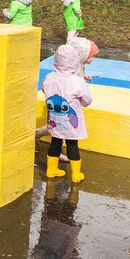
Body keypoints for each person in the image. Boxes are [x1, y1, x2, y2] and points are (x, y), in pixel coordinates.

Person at [42, 44, 92, 183]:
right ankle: (76, 175)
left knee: (55, 142)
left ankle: (51, 170)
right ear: (75, 63)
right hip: (71, 121)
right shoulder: (77, 81)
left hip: (54, 119)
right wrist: (78, 103)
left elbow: (44, 89)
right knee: (72, 145)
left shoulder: (50, 77)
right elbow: (87, 100)